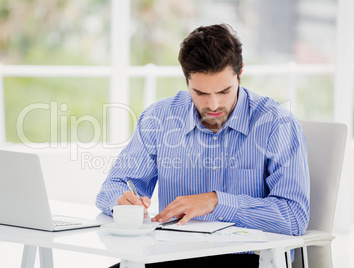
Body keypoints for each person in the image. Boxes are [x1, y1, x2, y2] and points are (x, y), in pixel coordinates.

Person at [96, 23, 310, 267]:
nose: (214, 104)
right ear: (186, 81)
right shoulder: (159, 118)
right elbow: (112, 187)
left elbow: (294, 217)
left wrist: (217, 202)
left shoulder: (277, 125)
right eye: (200, 93)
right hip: (170, 255)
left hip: (248, 259)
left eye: (224, 90)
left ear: (240, 72)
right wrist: (122, 202)